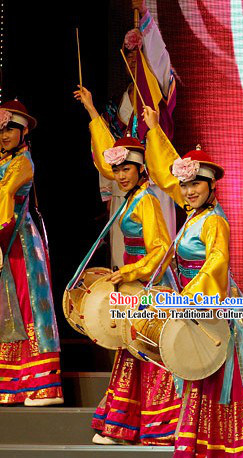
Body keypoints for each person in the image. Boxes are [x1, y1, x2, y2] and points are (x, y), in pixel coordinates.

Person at [143, 106, 243, 457]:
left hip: (215, 305)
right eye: (184, 184)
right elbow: (161, 170)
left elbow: (217, 262)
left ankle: (241, 446)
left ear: (211, 184)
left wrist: (187, 298)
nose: (187, 191)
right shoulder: (194, 215)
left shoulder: (214, 221)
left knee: (225, 379)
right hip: (196, 303)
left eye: (195, 184)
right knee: (199, 373)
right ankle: (203, 443)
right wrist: (155, 130)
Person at [86, 127, 181, 445]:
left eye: (127, 168)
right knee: (130, 352)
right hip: (134, 286)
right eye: (117, 169)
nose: (121, 175)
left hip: (152, 286)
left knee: (152, 353)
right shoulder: (129, 200)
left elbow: (161, 249)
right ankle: (124, 424)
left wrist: (131, 272)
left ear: (141, 168)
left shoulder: (147, 201)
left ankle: (160, 426)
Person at [74, 0, 176, 268]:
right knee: (123, 258)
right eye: (128, 57)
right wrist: (107, 192)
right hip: (124, 187)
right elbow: (108, 147)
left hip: (154, 183)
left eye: (138, 56)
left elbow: (160, 57)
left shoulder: (157, 93)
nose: (133, 61)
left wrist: (144, 17)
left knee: (157, 255)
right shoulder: (116, 105)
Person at [0, 100, 63, 406]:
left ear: (23, 131)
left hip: (20, 244)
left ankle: (42, 384)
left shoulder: (22, 162)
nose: (5, 134)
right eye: (1, 128)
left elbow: (5, 195)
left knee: (30, 308)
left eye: (11, 128)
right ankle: (12, 382)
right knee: (9, 308)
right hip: (4, 243)